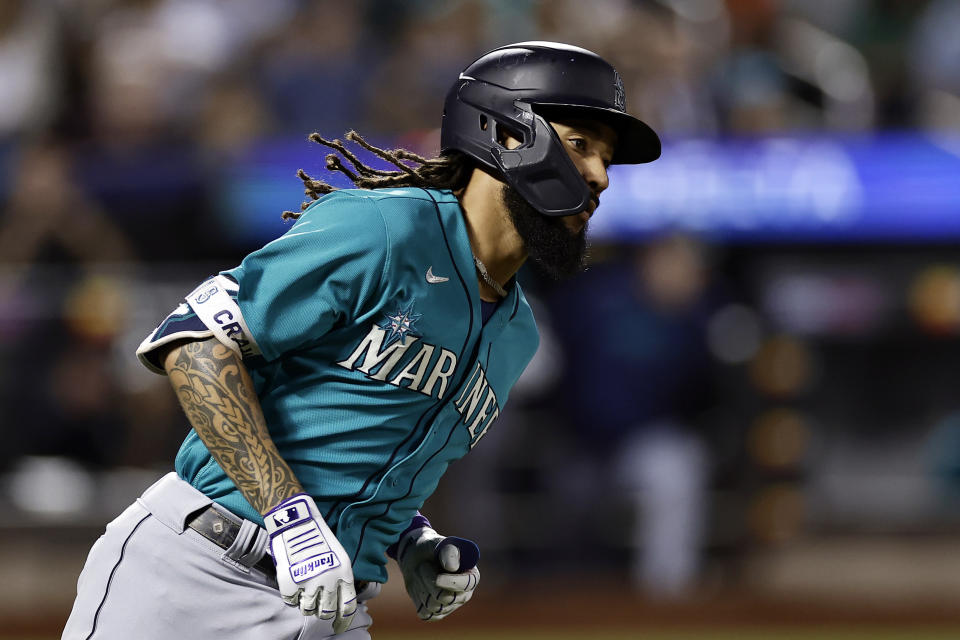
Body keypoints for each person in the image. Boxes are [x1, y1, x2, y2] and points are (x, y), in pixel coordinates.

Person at [62, 41, 661, 639]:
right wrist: (288, 515)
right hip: (195, 573)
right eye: (580, 145)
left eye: (606, 159)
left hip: (329, 605)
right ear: (506, 134)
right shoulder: (388, 228)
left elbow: (362, 456)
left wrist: (410, 538)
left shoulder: (518, 333)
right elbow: (192, 343)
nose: (599, 177)